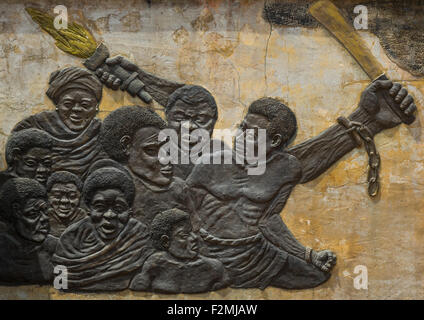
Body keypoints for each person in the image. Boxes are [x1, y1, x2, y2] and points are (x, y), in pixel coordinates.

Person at [186, 82, 416, 290]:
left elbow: (268, 218)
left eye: (251, 133)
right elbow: (183, 206)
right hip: (207, 251)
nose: (240, 136)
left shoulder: (285, 168)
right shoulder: (211, 164)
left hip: (254, 253)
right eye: (242, 127)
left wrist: (308, 255)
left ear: (274, 142)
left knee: (315, 275)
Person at [52, 165, 152, 291]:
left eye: (118, 208)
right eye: (100, 207)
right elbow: (60, 284)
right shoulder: (70, 240)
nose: (109, 215)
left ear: (130, 212)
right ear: (89, 210)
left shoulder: (139, 237)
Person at [99, 106, 187, 225]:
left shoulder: (180, 188)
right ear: (126, 146)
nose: (166, 158)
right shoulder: (110, 192)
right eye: (151, 150)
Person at [12, 67, 106, 179]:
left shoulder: (103, 133)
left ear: (96, 108)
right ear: (57, 104)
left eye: (85, 105)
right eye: (68, 104)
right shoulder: (32, 126)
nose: (76, 109)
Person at [130, 208, 228, 293]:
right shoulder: (154, 264)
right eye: (184, 235)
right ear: (166, 241)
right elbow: (137, 289)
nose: (194, 238)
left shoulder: (213, 268)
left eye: (192, 232)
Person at [0, 178, 57, 284]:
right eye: (33, 214)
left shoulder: (55, 247)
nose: (45, 219)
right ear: (16, 212)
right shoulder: (3, 250)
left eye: (45, 211)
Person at [46, 171, 86, 237]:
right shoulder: (42, 220)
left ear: (80, 198)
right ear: (49, 197)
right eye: (57, 196)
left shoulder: (86, 222)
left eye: (72, 196)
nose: (64, 201)